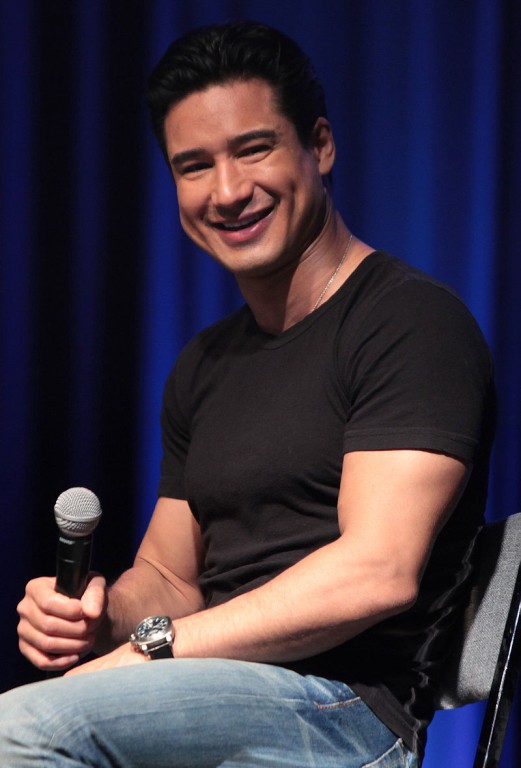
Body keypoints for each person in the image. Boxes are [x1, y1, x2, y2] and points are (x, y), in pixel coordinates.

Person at [0, 21, 495, 767]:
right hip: (214, 687)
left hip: (345, 713)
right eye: (194, 166)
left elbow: (376, 571)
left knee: (23, 731)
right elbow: (170, 577)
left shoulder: (410, 322)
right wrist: (102, 619)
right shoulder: (203, 364)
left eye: (253, 149)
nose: (228, 192)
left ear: (319, 146)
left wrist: (154, 648)